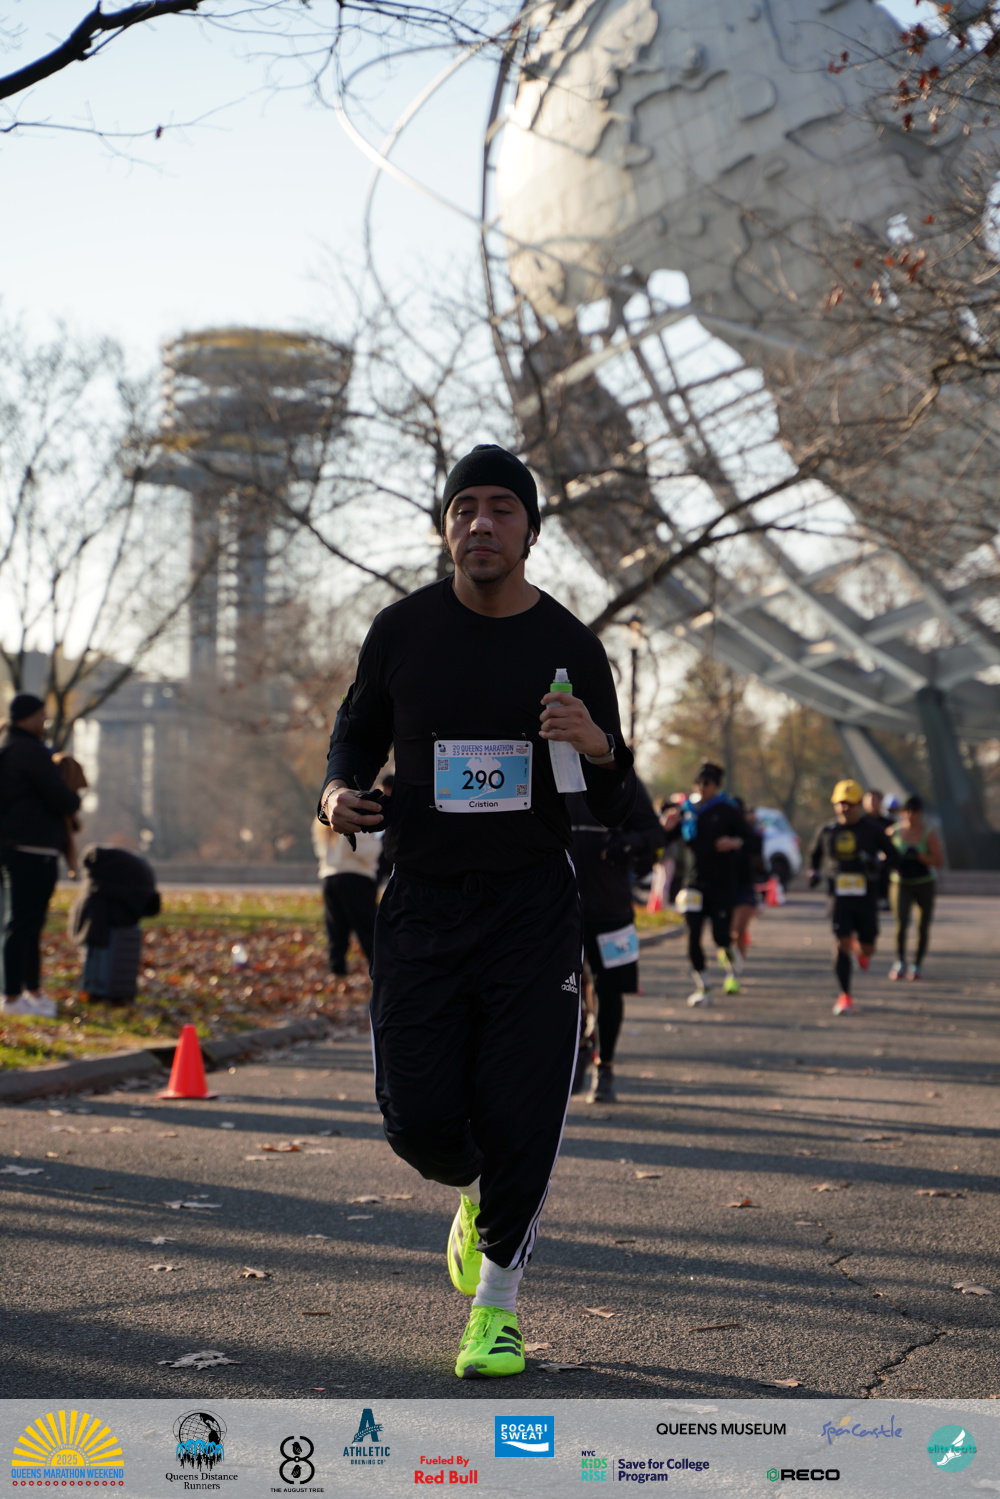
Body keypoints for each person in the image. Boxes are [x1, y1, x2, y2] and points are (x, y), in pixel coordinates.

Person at [318, 444, 635, 1380]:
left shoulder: (572, 647)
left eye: (502, 507)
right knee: (415, 1115)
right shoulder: (402, 630)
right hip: (421, 899)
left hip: (531, 906)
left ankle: (496, 1309)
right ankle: (469, 1187)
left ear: (531, 530)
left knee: (523, 1108)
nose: (482, 523)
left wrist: (599, 746)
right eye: (466, 508)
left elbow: (617, 802)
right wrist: (335, 792)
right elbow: (354, 735)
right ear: (446, 527)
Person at [569, 777, 663, 1104]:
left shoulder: (620, 778)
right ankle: (576, 1052)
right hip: (558, 909)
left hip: (611, 909)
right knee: (562, 990)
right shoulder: (545, 769)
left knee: (610, 990)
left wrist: (626, 842)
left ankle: (605, 1065)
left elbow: (654, 833)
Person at [0, 694, 81, 1017]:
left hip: (16, 847)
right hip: (32, 848)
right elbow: (61, 798)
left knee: (25, 923)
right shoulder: (29, 752)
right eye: (42, 716)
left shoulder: (8, 748)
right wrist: (72, 796)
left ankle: (30, 992)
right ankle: (13, 996)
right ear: (27, 717)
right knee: (24, 924)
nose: (45, 721)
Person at [663, 763, 749, 1006]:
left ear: (716, 786)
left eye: (707, 783)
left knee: (721, 936)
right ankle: (704, 986)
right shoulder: (687, 811)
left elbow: (751, 838)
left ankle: (731, 960)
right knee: (692, 937)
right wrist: (666, 828)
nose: (701, 787)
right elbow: (665, 838)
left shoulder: (728, 810)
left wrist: (735, 842)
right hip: (693, 884)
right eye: (698, 783)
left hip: (721, 884)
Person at [809, 778, 898, 1015]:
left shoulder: (873, 830)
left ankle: (862, 950)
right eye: (840, 803)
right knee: (841, 943)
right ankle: (845, 996)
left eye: (849, 803)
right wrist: (813, 873)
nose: (844, 808)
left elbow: (892, 856)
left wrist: (877, 865)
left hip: (866, 897)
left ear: (859, 804)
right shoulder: (828, 831)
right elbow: (814, 856)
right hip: (838, 897)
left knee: (868, 947)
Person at [72, 844, 161, 1003]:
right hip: (110, 908)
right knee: (107, 943)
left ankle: (97, 989)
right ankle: (104, 991)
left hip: (108, 907)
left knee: (102, 944)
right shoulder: (136, 885)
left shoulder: (115, 879)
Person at [312, 815, 379, 975]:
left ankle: (337, 968)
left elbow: (319, 849)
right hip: (355, 876)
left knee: (336, 925)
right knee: (368, 926)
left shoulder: (321, 820)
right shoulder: (353, 815)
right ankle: (378, 966)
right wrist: (378, 844)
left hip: (329, 876)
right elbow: (363, 850)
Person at [888, 795, 943, 980]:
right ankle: (900, 962)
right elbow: (882, 853)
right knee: (901, 922)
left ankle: (917, 965)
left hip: (923, 883)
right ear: (903, 812)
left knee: (922, 925)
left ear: (921, 813)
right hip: (900, 882)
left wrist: (920, 856)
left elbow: (939, 861)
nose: (911, 815)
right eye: (908, 811)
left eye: (915, 811)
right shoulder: (894, 832)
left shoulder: (928, 833)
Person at [730, 799, 765, 966]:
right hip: (722, 887)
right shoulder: (716, 831)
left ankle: (735, 971)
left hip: (744, 886)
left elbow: (758, 851)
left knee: (738, 931)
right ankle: (731, 962)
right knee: (726, 934)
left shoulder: (750, 833)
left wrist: (741, 843)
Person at [863, 788, 894, 910]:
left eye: (875, 800)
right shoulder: (860, 822)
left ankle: (884, 898)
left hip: (884, 862)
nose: (872, 803)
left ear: (881, 802)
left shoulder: (889, 823)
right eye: (869, 800)